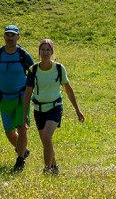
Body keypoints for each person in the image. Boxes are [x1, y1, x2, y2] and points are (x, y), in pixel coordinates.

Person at [22, 38, 85, 175]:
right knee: (46, 142)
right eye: (43, 49)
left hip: (55, 107)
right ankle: (54, 166)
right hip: (39, 110)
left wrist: (77, 110)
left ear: (52, 52)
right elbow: (27, 93)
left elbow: (68, 89)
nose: (45, 52)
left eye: (48, 49)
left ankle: (47, 169)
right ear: (39, 52)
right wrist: (25, 114)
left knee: (46, 137)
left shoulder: (59, 68)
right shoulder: (33, 70)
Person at [0, 24, 35, 171]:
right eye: (8, 35)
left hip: (21, 97)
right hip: (4, 98)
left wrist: (34, 95)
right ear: (4, 36)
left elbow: (33, 76)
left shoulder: (23, 55)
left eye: (13, 35)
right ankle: (23, 150)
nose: (10, 38)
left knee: (22, 128)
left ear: (18, 37)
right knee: (9, 132)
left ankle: (20, 160)